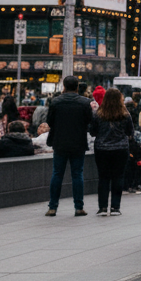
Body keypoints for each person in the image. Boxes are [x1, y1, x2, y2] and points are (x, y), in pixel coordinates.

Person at [44, 76, 93, 217]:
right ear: (77, 87)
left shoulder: (55, 102)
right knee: (77, 174)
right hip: (78, 143)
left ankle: (52, 207)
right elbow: (88, 121)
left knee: (57, 174)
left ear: (63, 86)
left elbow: (49, 121)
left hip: (59, 143)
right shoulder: (85, 102)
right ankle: (79, 207)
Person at [89, 90, 133, 216]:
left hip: (102, 149)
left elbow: (92, 131)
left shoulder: (98, 114)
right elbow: (130, 132)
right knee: (118, 177)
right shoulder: (125, 114)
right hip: (121, 149)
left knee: (103, 178)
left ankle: (102, 207)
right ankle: (115, 207)